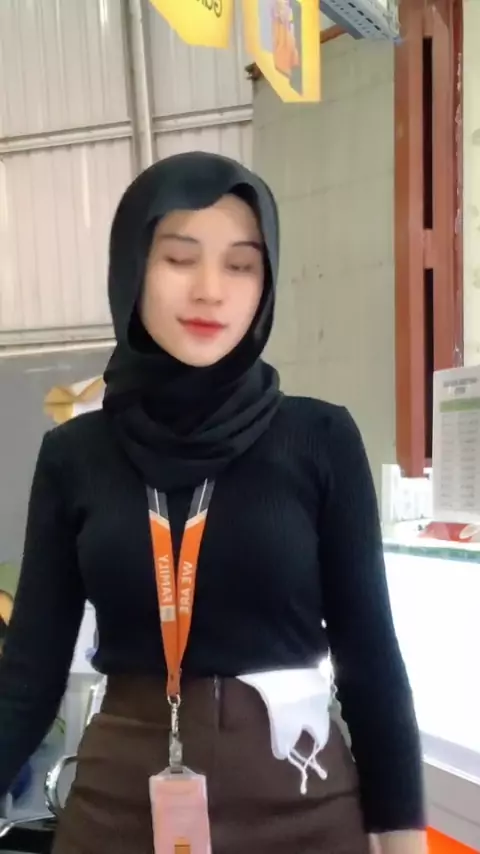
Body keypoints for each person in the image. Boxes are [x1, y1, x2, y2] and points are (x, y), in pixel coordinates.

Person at [0, 152, 426, 854]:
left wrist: (403, 838)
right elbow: (28, 673)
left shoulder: (319, 439)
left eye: (241, 264)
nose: (210, 290)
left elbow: (371, 660)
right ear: (132, 267)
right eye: (179, 258)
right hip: (118, 812)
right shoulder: (75, 454)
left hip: (303, 806)